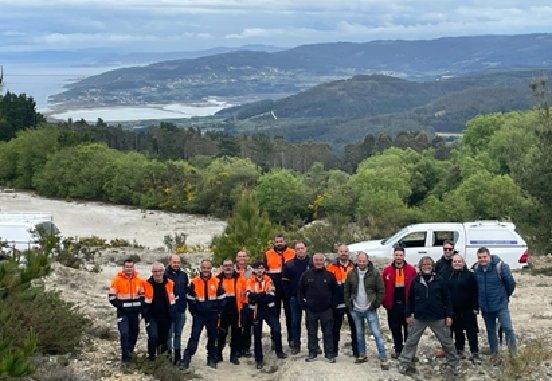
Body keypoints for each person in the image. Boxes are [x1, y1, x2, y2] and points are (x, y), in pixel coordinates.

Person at [398, 256, 460, 376]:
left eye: (429, 265)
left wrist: (449, 315)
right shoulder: (415, 281)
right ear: (421, 266)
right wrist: (408, 314)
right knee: (411, 341)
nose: (427, 267)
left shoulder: (440, 280)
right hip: (419, 317)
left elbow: (447, 299)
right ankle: (404, 363)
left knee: (447, 342)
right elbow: (410, 299)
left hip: (438, 317)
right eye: (424, 265)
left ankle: (454, 364)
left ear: (432, 267)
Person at [344, 252, 389, 370]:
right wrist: (350, 305)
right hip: (356, 309)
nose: (362, 263)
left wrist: (376, 304)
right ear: (356, 261)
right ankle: (362, 355)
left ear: (368, 261)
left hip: (370, 309)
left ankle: (383, 357)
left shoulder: (374, 273)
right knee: (359, 334)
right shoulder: (351, 274)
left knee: (377, 334)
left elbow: (381, 290)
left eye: (364, 261)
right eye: (360, 261)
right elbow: (346, 291)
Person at [473, 247, 517, 364]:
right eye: (480, 257)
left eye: (484, 257)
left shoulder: (500, 267)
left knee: (508, 328)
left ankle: (514, 355)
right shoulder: (476, 269)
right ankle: (494, 354)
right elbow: (476, 288)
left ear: (489, 256)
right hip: (486, 307)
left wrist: (505, 296)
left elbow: (511, 284)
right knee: (491, 331)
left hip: (500, 305)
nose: (482, 260)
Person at [181, 259, 225, 369]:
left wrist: (218, 312)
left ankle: (211, 359)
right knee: (194, 337)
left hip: (212, 315)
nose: (206, 270)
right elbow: (190, 299)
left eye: (208, 268)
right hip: (199, 315)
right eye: (204, 268)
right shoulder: (194, 282)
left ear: (211, 268)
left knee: (212, 337)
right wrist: (194, 312)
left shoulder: (217, 281)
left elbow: (222, 299)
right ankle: (186, 359)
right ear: (201, 268)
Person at [246, 261, 288, 369]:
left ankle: (279, 351)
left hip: (269, 310)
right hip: (256, 310)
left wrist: (258, 296)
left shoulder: (269, 279)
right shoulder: (249, 281)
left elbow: (271, 295)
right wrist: (264, 294)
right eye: (256, 268)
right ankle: (258, 359)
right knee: (257, 335)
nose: (259, 270)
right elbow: (250, 296)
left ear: (264, 269)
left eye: (261, 268)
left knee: (277, 330)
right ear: (253, 270)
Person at [299, 253, 338, 363]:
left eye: (321, 260)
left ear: (324, 261)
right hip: (311, 310)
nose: (319, 262)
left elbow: (335, 292)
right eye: (317, 260)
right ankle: (312, 353)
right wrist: (304, 304)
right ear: (313, 261)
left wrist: (333, 306)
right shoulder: (306, 275)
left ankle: (329, 354)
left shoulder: (330, 275)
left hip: (327, 309)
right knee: (311, 332)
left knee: (328, 332)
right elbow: (300, 291)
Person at [108, 258, 145, 366]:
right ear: (123, 268)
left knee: (134, 334)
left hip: (135, 313)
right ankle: (125, 359)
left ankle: (130, 353)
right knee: (124, 334)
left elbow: (143, 296)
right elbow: (112, 298)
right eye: (127, 267)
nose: (129, 269)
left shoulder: (139, 281)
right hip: (123, 313)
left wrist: (140, 308)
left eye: (131, 267)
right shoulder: (116, 280)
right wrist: (121, 306)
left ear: (133, 268)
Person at [382, 246, 416, 359]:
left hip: (407, 305)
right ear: (393, 256)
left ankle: (408, 352)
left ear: (404, 256)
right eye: (396, 255)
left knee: (409, 329)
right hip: (393, 305)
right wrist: (385, 302)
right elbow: (383, 287)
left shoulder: (411, 270)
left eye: (400, 255)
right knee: (395, 328)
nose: (398, 257)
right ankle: (398, 350)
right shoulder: (387, 271)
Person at [326, 244, 359, 358]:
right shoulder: (331, 267)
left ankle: (357, 351)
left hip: (352, 303)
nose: (343, 253)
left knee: (355, 328)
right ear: (337, 253)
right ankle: (333, 352)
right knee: (335, 329)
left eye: (346, 251)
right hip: (337, 302)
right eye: (341, 251)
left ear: (348, 253)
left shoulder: (355, 267)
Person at [447, 254, 480, 363]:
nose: (457, 263)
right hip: (454, 309)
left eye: (459, 261)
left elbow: (476, 291)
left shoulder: (470, 275)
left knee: (472, 331)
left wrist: (476, 307)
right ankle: (459, 350)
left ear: (463, 263)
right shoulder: (448, 275)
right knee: (457, 330)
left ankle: (475, 353)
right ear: (452, 263)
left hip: (468, 308)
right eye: (455, 262)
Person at [263, 233, 295, 345]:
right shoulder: (268, 254)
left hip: (289, 289)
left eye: (281, 241)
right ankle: (275, 340)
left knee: (290, 315)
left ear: (284, 241)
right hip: (274, 291)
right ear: (274, 242)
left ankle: (292, 339)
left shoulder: (292, 252)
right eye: (277, 242)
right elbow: (265, 273)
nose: (279, 243)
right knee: (274, 315)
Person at [143, 262, 177, 361]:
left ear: (163, 271)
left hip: (166, 316)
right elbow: (142, 300)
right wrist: (145, 314)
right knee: (153, 337)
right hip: (152, 316)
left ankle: (163, 361)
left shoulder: (170, 283)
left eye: (160, 271)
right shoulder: (146, 284)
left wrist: (173, 312)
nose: (158, 273)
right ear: (152, 272)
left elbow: (174, 298)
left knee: (164, 339)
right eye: (155, 271)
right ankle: (151, 360)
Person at [282, 240, 311, 354]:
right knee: (295, 322)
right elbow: (284, 282)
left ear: (305, 249)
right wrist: (290, 294)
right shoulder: (289, 264)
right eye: (298, 249)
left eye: (302, 248)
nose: (300, 250)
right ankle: (296, 344)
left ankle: (313, 344)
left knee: (311, 322)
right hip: (294, 297)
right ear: (295, 251)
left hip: (310, 298)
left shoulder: (312, 262)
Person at [217, 258, 246, 365]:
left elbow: (245, 294)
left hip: (236, 310)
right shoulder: (217, 279)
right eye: (225, 266)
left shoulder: (240, 278)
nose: (228, 268)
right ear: (222, 267)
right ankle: (218, 354)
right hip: (222, 312)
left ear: (233, 266)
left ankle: (234, 355)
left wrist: (243, 309)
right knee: (221, 334)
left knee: (236, 334)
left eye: (229, 265)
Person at [164, 254, 189, 365]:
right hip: (167, 310)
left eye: (178, 262)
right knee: (169, 334)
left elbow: (186, 291)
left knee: (178, 333)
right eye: (174, 262)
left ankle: (178, 357)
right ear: (170, 262)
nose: (176, 264)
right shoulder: (164, 274)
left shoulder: (184, 275)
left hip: (180, 309)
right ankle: (169, 357)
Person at [433, 240, 455, 358]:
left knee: (458, 325)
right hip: (442, 299)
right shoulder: (439, 264)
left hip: (456, 297)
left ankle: (458, 348)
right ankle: (445, 348)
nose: (447, 251)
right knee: (444, 327)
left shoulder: (457, 261)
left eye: (450, 249)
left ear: (453, 249)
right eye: (445, 249)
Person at [235, 250, 253, 358]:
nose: (242, 258)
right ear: (236, 258)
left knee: (247, 326)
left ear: (247, 258)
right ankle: (237, 349)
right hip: (235, 303)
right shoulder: (232, 270)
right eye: (240, 256)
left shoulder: (251, 271)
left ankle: (246, 348)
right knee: (237, 327)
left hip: (247, 302)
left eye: (244, 256)